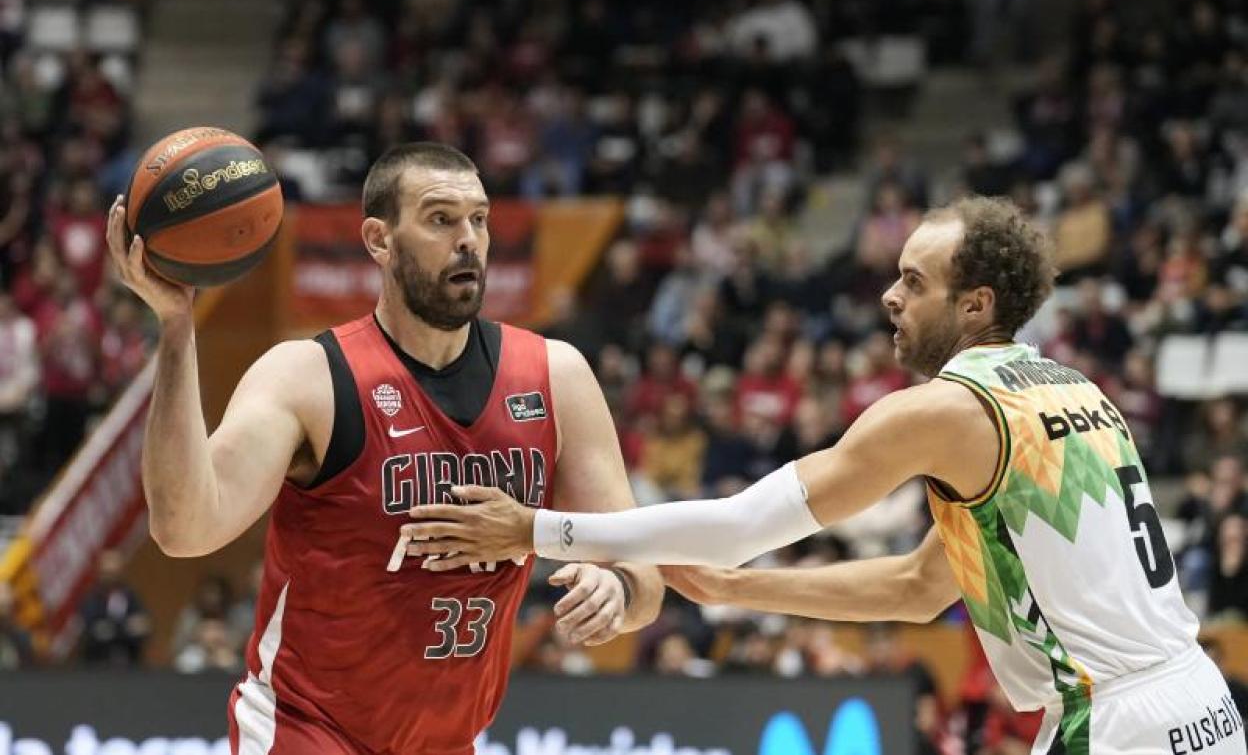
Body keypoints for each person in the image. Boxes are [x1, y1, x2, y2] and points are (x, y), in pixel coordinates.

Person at [406, 196, 1246, 754]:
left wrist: (537, 529)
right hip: (1201, 705)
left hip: (1116, 718)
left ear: (976, 306)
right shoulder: (1072, 388)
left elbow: (742, 521)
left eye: (914, 282)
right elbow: (920, 588)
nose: (889, 296)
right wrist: (740, 591)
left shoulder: (946, 411)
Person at [106, 142, 662, 755]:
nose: (469, 240)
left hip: (448, 742)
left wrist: (620, 590)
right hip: (304, 729)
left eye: (479, 219)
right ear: (379, 239)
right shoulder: (307, 376)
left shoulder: (556, 376)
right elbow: (184, 530)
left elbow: (643, 576)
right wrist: (177, 328)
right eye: (441, 219)